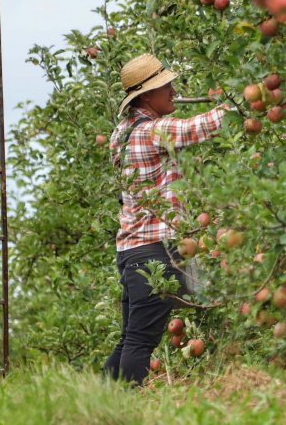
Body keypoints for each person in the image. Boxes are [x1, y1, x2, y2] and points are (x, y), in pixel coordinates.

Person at [103, 53, 233, 385]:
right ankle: (121, 411)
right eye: (166, 86)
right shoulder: (150, 132)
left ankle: (99, 404)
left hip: (130, 251)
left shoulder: (121, 134)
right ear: (146, 95)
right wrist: (241, 103)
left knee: (129, 337)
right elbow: (198, 127)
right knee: (140, 342)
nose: (174, 91)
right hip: (153, 253)